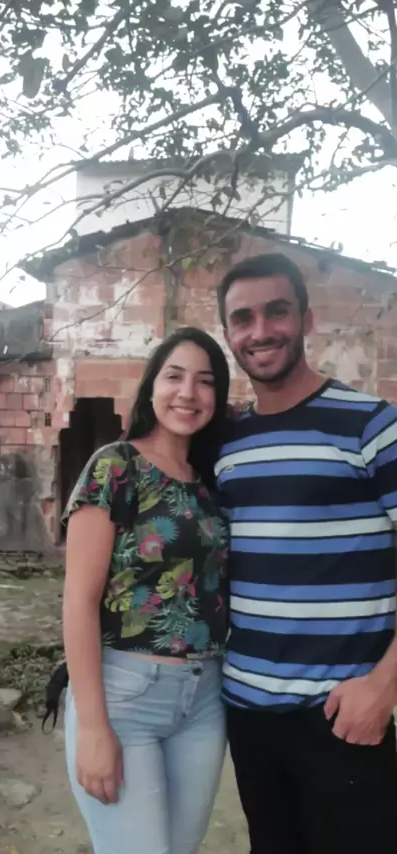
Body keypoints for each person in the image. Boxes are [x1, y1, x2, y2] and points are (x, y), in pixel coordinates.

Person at [215, 252, 397, 854]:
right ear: (228, 334)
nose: (260, 330)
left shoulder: (372, 426)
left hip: (342, 716)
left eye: (277, 311)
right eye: (243, 318)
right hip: (247, 713)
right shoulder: (228, 442)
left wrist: (384, 686)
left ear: (307, 320)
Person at [62, 327, 230, 854]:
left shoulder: (210, 481)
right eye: (174, 376)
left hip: (204, 699)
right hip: (125, 695)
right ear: (151, 385)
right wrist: (94, 728)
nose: (188, 393)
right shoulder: (116, 466)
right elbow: (78, 600)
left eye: (205, 381)